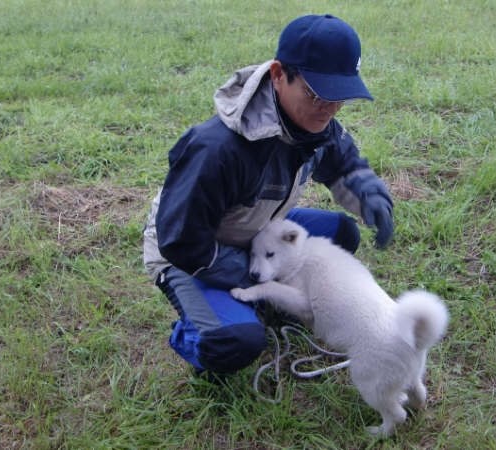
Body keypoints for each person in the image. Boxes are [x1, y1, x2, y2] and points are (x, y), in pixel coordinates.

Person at [143, 14, 394, 374]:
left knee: (342, 234)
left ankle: (271, 301)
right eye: (317, 93)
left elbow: (345, 165)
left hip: (258, 227)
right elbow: (181, 241)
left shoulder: (314, 125)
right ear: (278, 74)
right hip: (188, 250)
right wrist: (261, 273)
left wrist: (372, 200)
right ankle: (198, 336)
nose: (330, 108)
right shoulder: (216, 150)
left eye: (340, 96)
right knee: (236, 342)